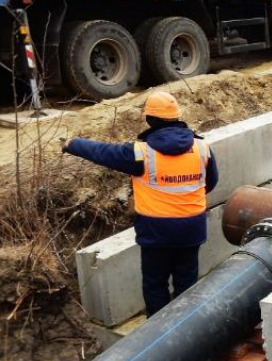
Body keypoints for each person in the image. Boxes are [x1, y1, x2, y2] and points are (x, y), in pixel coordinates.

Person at [62, 92, 218, 316]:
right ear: (178, 118)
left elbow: (102, 152)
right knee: (187, 285)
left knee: (155, 286)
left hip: (156, 234)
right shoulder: (202, 148)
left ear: (150, 120)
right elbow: (210, 182)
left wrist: (73, 144)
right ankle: (189, 335)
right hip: (191, 230)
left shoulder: (140, 154)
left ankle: (158, 337)